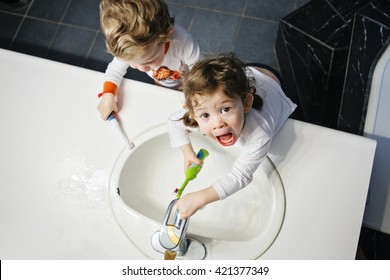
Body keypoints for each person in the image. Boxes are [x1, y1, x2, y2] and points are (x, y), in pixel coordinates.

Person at [168, 53, 297, 219]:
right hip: (246, 73)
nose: (217, 124)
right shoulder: (200, 109)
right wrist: (187, 152)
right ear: (192, 112)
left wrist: (201, 198)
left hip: (271, 80)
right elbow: (173, 122)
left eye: (226, 109)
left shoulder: (259, 134)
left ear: (246, 103)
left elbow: (240, 176)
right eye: (206, 115)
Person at [97, 0, 202, 120]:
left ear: (167, 36)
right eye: (133, 64)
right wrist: (108, 95)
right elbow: (114, 71)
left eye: (149, 61)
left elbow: (200, 73)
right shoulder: (130, 49)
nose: (142, 69)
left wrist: (195, 97)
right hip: (162, 83)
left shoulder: (183, 42)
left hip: (189, 82)